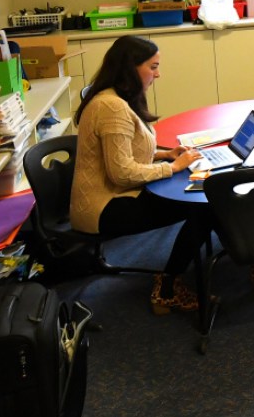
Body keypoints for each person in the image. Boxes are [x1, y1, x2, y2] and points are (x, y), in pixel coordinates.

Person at [70, 35, 209, 313]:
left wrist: (165, 154)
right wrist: (173, 167)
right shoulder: (112, 107)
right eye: (153, 67)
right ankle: (167, 289)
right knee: (203, 207)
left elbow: (123, 151)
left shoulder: (116, 97)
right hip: (105, 207)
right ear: (131, 68)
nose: (158, 74)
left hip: (113, 194)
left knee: (196, 193)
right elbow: (121, 172)